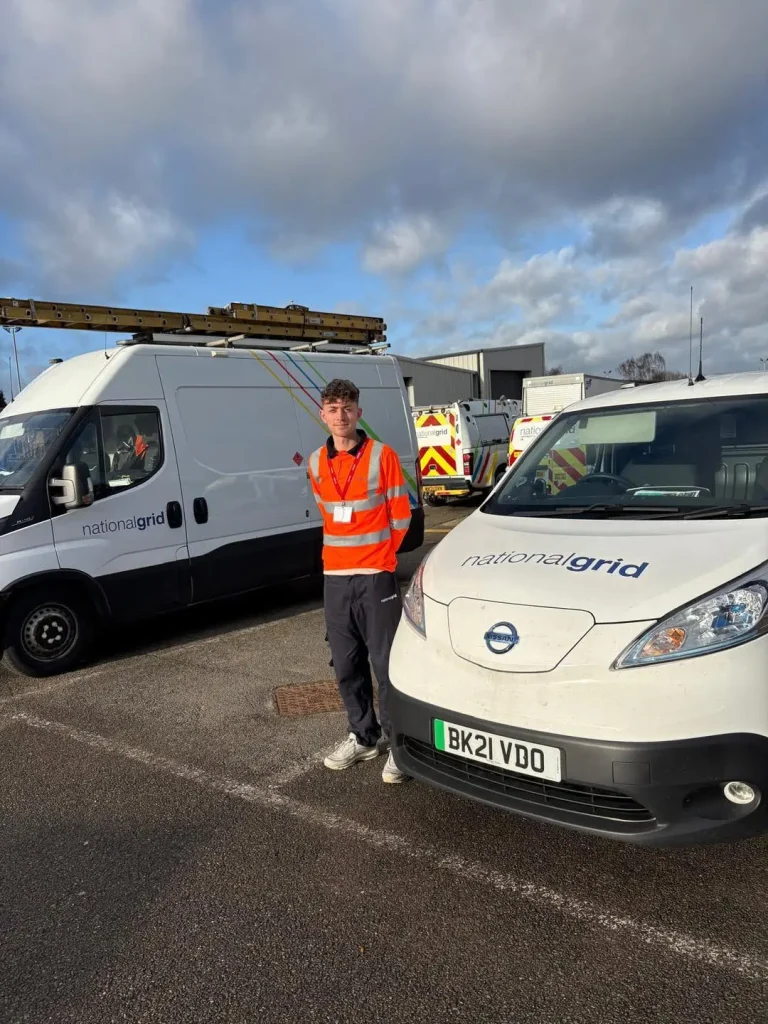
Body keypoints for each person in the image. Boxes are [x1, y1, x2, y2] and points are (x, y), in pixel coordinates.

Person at [308, 378, 412, 784]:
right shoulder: (316, 462)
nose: (340, 416)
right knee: (346, 664)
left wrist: (382, 561)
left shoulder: (382, 456)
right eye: (333, 409)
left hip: (375, 577)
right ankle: (363, 736)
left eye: (347, 408)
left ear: (359, 412)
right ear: (323, 414)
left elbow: (400, 516)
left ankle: (399, 745)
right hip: (335, 577)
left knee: (386, 665)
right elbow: (328, 512)